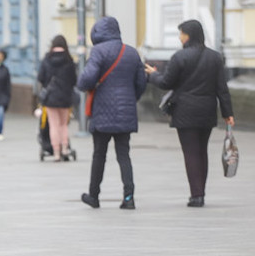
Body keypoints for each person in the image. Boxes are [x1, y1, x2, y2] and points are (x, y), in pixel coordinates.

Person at [145, 20, 235, 207]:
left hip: (185, 111)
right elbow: (222, 88)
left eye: (181, 33)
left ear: (188, 35)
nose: (180, 37)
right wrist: (228, 113)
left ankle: (196, 195)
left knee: (191, 153)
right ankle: (201, 192)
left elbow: (166, 83)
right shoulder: (215, 57)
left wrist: (153, 75)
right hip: (207, 110)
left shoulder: (180, 57)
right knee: (202, 152)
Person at [77, 16, 146, 209]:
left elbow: (87, 79)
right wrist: (131, 99)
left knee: (99, 155)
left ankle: (94, 196)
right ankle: (128, 198)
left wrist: (84, 84)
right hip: (126, 112)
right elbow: (141, 82)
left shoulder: (98, 51)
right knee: (124, 155)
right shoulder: (131, 52)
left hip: (102, 112)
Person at [37, 35, 78, 161]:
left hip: (51, 97)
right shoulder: (69, 60)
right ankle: (65, 149)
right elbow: (74, 80)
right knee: (63, 125)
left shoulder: (47, 59)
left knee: (53, 125)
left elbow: (40, 77)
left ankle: (56, 153)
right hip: (65, 97)